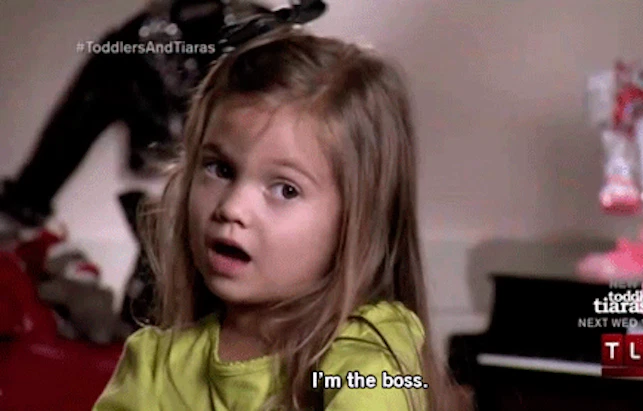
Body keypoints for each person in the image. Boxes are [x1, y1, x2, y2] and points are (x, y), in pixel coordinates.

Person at [92, 27, 461, 411]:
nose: (232, 208)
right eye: (220, 169)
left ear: (357, 222)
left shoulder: (373, 347)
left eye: (285, 189)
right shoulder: (152, 365)